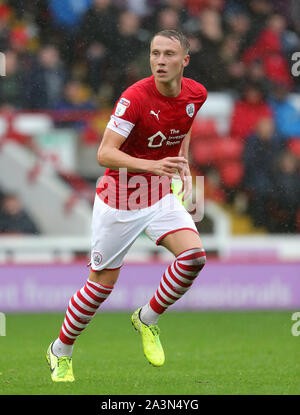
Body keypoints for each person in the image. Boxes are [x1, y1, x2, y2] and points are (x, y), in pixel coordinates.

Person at [46, 29, 207, 382]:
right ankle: (61, 349)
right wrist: (154, 165)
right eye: (155, 53)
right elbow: (104, 153)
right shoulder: (134, 98)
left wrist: (182, 164)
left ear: (185, 61)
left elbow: (184, 125)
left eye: (168, 54)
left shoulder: (197, 93)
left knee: (194, 258)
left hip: (160, 194)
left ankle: (147, 318)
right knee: (99, 288)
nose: (160, 61)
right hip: (120, 198)